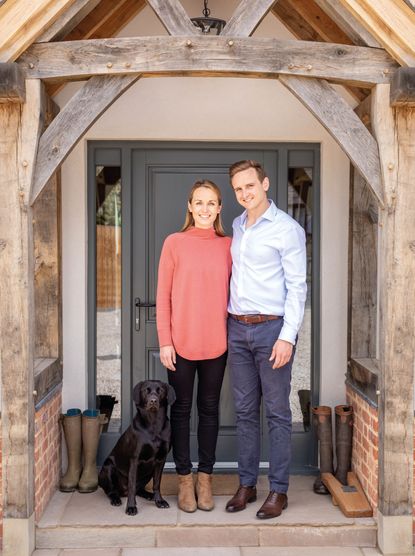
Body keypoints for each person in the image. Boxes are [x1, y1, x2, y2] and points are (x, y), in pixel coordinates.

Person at [225, 160, 307, 519]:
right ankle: (246, 484)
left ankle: (278, 490)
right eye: (239, 189)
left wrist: (287, 337)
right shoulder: (237, 225)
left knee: (276, 412)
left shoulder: (287, 229)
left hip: (272, 330)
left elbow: (297, 288)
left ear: (265, 184)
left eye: (250, 186)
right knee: (244, 412)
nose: (245, 193)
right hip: (237, 329)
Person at [156, 180, 232, 513]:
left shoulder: (229, 245)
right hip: (180, 344)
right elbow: (163, 296)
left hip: (217, 343)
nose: (204, 209)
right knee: (182, 412)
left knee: (210, 411)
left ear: (219, 209)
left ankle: (206, 479)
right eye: (198, 202)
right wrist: (164, 341)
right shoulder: (174, 243)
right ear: (189, 206)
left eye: (210, 203)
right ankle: (185, 479)